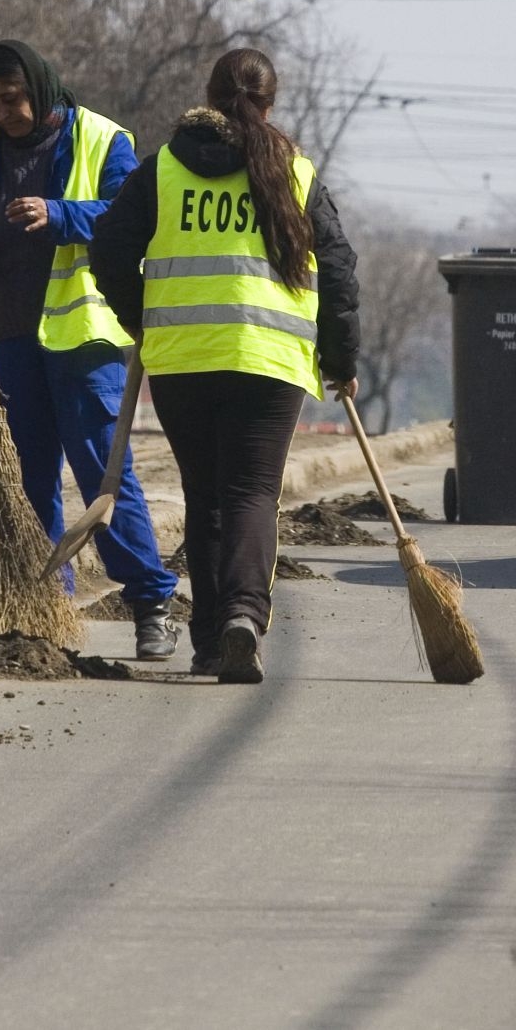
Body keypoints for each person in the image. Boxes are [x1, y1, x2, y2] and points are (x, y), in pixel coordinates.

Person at [88, 48, 359, 684]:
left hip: (182, 361)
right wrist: (341, 359)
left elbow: (108, 249)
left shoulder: (162, 170)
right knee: (251, 493)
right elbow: (340, 270)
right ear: (270, 103)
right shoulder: (294, 172)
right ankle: (243, 614)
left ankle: (210, 642)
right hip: (268, 362)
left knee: (205, 495)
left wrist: (140, 318)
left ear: (208, 97)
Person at [0, 39, 179, 659]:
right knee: (27, 479)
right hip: (8, 340)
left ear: (39, 87)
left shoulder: (102, 139)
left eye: (11, 99)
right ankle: (46, 607)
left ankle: (150, 602)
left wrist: (59, 214)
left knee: (103, 472)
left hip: (81, 343)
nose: (2, 113)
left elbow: (131, 216)